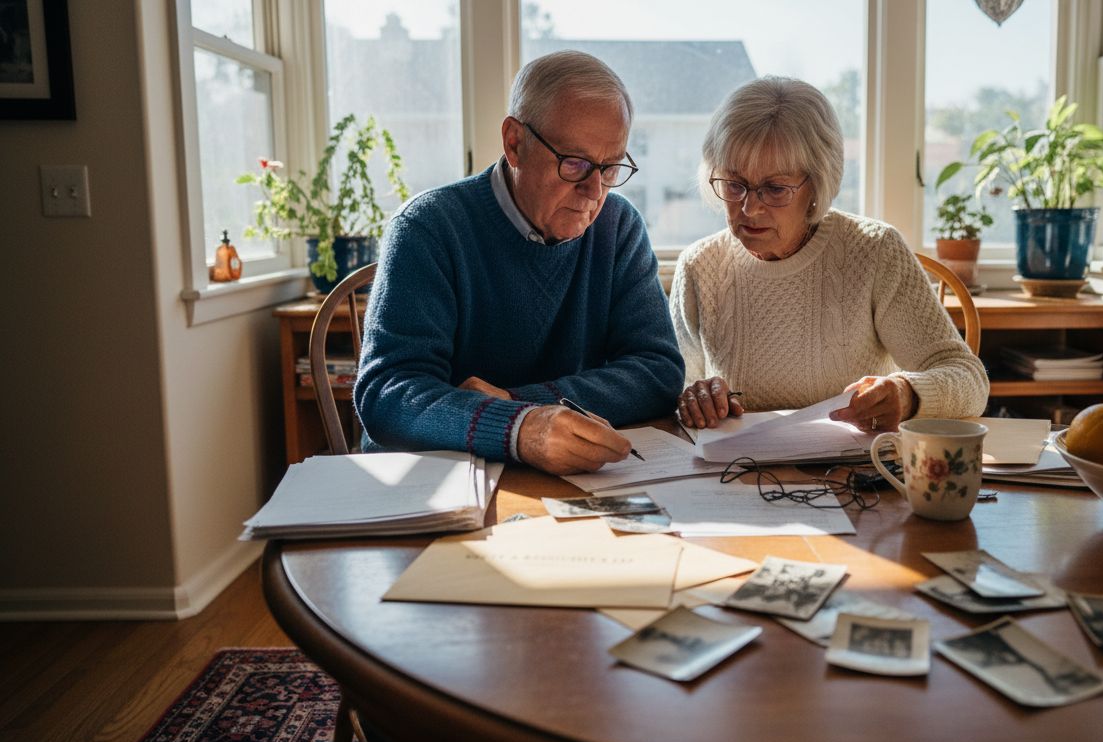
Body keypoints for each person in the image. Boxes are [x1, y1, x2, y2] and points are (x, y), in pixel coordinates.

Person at [356, 51, 684, 475]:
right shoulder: (428, 228)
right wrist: (518, 429)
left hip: (569, 474)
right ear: (514, 143)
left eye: (610, 167)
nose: (594, 191)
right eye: (575, 164)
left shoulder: (618, 227)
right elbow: (388, 395)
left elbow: (657, 371)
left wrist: (520, 404)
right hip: (439, 479)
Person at [670, 76, 988, 431]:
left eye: (775, 188)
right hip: (735, 475)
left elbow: (968, 379)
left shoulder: (874, 251)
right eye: (734, 185)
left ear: (817, 184)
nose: (750, 208)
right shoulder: (700, 266)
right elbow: (676, 388)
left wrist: (907, 392)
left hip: (855, 475)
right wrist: (694, 399)